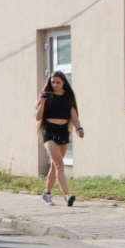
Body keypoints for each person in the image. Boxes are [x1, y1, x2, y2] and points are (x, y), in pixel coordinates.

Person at [34, 71, 84, 207]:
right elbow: (38, 117)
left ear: (63, 83)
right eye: (52, 82)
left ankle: (47, 194)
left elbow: (74, 117)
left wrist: (79, 128)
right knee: (59, 164)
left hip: (63, 132)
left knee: (54, 166)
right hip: (49, 132)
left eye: (58, 82)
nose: (55, 85)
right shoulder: (47, 97)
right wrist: (42, 101)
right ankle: (67, 195)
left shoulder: (68, 98)